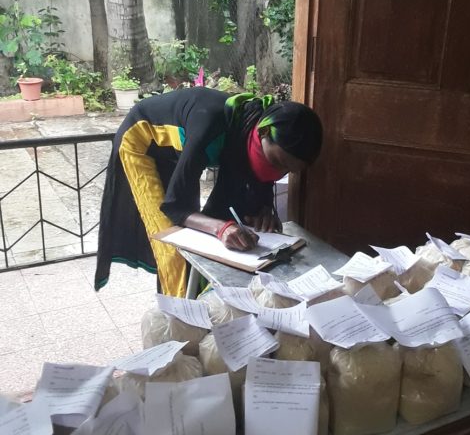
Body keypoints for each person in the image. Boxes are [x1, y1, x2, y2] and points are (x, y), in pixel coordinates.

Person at [94, 87, 323, 297]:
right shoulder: (211, 126)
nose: (277, 172)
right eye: (276, 161)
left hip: (181, 150)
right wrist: (220, 228)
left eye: (288, 170)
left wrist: (262, 212)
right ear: (262, 133)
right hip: (141, 144)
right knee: (175, 244)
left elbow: (249, 192)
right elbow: (175, 206)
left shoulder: (248, 127)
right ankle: (185, 322)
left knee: (209, 233)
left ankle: (212, 301)